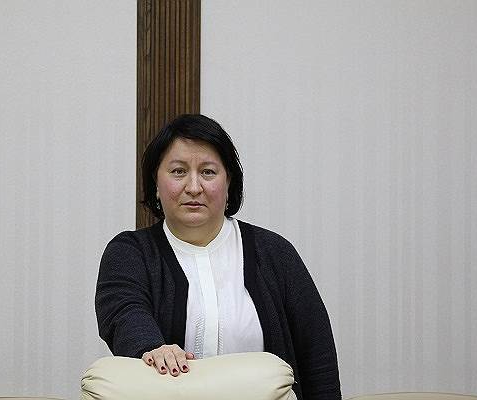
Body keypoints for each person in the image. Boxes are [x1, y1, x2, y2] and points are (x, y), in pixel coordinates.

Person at [95, 114, 341, 399]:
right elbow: (124, 312)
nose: (194, 187)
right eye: (178, 171)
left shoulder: (274, 252)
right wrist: (152, 348)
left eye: (208, 172)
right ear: (156, 183)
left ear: (228, 182)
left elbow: (318, 356)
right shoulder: (130, 252)